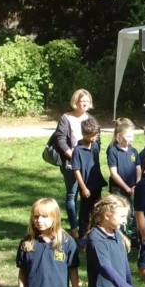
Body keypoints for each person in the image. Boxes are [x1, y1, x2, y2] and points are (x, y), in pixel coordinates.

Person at [52, 89, 95, 238]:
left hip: (87, 164)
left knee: (87, 195)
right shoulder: (66, 118)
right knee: (72, 195)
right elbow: (60, 140)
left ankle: (86, 226)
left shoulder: (90, 118)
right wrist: (74, 155)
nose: (84, 103)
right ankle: (74, 228)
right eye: (81, 101)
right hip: (70, 163)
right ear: (75, 102)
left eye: (87, 101)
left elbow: (97, 141)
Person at [70, 118, 106, 242]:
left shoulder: (95, 145)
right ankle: (83, 236)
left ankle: (95, 233)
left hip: (97, 182)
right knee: (85, 211)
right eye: (91, 136)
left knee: (97, 209)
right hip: (86, 185)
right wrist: (83, 187)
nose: (94, 138)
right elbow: (76, 170)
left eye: (96, 135)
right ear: (84, 134)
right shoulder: (78, 150)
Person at [107, 122, 141, 210]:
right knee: (119, 210)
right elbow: (113, 173)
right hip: (118, 189)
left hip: (133, 187)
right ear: (118, 136)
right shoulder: (113, 151)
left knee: (133, 211)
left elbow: (138, 169)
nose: (131, 139)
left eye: (132, 136)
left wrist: (137, 184)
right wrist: (126, 188)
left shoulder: (133, 151)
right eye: (128, 136)